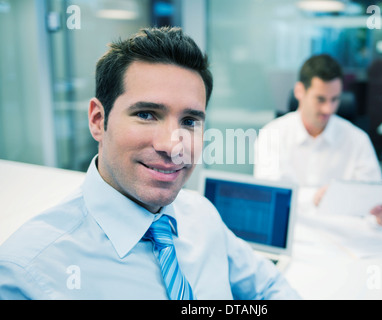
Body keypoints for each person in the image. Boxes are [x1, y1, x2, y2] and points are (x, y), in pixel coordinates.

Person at [0, 27, 299, 300]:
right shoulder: (27, 272)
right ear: (98, 120)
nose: (172, 145)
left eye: (190, 121)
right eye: (146, 114)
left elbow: (270, 288)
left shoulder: (200, 214)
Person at [254, 54, 382, 227]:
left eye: (334, 99)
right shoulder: (272, 134)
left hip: (343, 235)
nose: (328, 108)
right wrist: (315, 197)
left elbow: (371, 203)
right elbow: (269, 196)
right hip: (291, 230)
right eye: (320, 99)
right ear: (299, 91)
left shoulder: (357, 139)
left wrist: (381, 216)